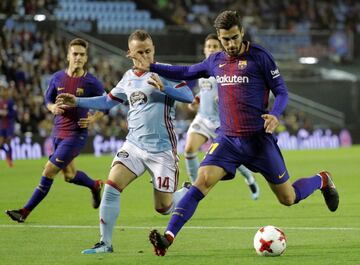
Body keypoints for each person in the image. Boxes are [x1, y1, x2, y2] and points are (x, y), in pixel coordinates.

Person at [129, 11, 339, 256]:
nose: (230, 44)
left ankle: (322, 179)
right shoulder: (215, 61)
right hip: (228, 140)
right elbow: (186, 72)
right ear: (219, 37)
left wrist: (276, 114)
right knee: (202, 181)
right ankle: (168, 237)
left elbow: (281, 92)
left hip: (258, 141)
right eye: (225, 39)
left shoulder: (260, 57)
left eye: (234, 37)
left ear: (242, 32)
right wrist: (151, 66)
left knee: (288, 198)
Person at [56, 29, 194, 254]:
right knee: (111, 187)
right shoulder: (128, 78)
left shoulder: (165, 71)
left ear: (154, 50)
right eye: (139, 52)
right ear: (129, 53)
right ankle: (105, 243)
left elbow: (189, 97)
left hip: (162, 151)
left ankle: (184, 192)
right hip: (134, 146)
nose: (145, 56)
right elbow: (107, 102)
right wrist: (77, 100)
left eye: (148, 51)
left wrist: (165, 87)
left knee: (163, 208)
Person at [5, 38, 105, 223]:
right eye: (75, 54)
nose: (78, 58)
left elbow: (106, 103)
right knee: (69, 176)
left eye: (82, 55)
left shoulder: (91, 82)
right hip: (57, 132)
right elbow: (48, 100)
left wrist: (93, 118)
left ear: (86, 57)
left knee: (49, 170)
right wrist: (51, 108)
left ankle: (24, 212)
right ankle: (94, 185)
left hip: (76, 135)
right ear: (68, 56)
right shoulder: (57, 78)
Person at [185, 33, 259, 200]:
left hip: (222, 123)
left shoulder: (226, 69)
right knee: (189, 149)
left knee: (235, 161)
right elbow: (204, 91)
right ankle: (195, 187)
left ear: (221, 49)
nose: (211, 49)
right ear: (204, 49)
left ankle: (249, 178)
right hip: (202, 119)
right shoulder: (202, 70)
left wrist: (228, 96)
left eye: (215, 46)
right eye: (209, 46)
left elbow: (240, 90)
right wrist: (195, 100)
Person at [0, 80, 16, 167]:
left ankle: (10, 160)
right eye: (1, 90)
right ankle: (6, 154)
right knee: (1, 144)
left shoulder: (10, 102)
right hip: (1, 125)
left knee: (8, 142)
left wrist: (7, 113)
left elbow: (14, 113)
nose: (2, 92)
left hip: (9, 125)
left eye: (3, 90)